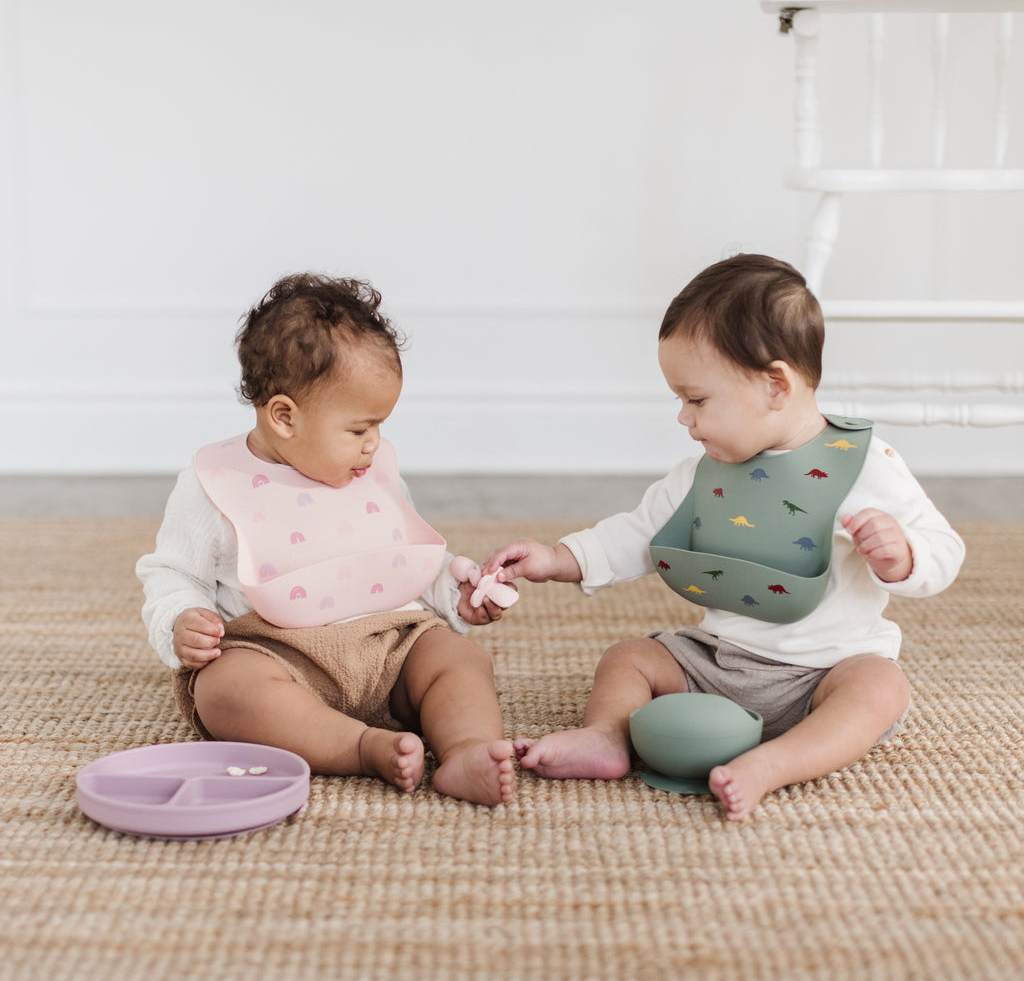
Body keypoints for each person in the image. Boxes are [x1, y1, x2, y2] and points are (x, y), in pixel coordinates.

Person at [483, 254, 965, 820]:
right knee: (630, 658)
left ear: (775, 385)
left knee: (880, 687)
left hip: (824, 673)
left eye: (697, 399)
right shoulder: (701, 474)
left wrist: (904, 556)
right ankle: (607, 736)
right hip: (715, 662)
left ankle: (774, 764)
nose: (683, 419)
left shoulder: (864, 467)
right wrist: (558, 558)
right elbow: (638, 533)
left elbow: (945, 547)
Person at [137, 273, 515, 806]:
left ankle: (468, 751)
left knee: (458, 660)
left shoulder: (371, 471)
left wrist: (454, 595)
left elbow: (396, 552)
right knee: (225, 691)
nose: (374, 445)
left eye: (379, 426)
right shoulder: (214, 487)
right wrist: (180, 620)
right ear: (285, 416)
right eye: (359, 429)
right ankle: (362, 748)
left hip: (390, 646)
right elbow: (172, 573)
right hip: (279, 657)